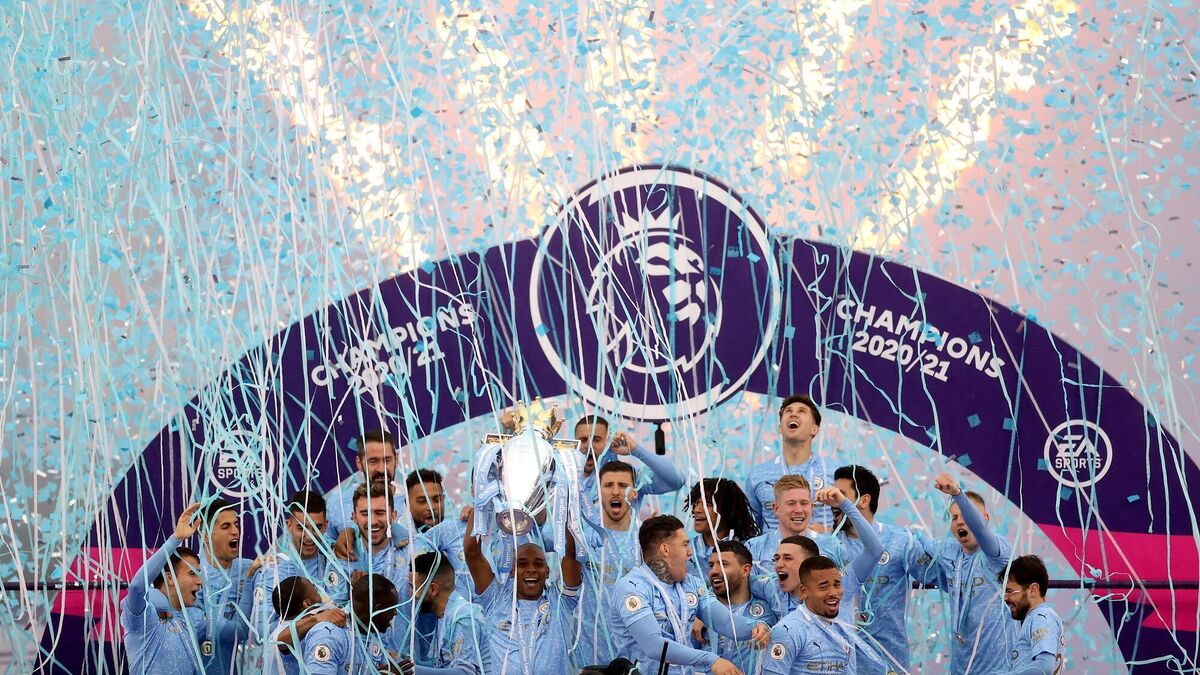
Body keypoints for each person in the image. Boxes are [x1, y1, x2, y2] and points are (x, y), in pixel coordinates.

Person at [609, 515, 771, 675]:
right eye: (685, 544)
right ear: (665, 549)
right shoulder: (632, 587)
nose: (690, 552)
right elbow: (654, 646)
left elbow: (726, 622)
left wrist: (756, 627)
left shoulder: (691, 583)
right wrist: (711, 659)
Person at [814, 465, 938, 673]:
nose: (834, 502)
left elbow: (936, 576)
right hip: (843, 663)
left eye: (840, 495)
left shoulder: (900, 541)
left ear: (864, 501)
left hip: (891, 662)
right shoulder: (828, 546)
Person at [464, 502, 583, 673]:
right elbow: (472, 553)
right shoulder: (495, 600)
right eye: (522, 564)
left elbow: (572, 552)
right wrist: (482, 499)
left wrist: (567, 497)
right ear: (512, 571)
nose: (531, 569)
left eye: (538, 564)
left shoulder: (560, 603)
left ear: (547, 571)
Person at [920, 473, 1018, 673]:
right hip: (961, 667)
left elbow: (980, 530)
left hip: (998, 668)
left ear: (985, 519)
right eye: (954, 517)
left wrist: (957, 494)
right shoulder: (949, 552)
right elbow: (918, 542)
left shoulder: (997, 552)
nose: (959, 522)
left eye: (965, 515)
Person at [752, 487, 883, 623]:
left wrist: (845, 504)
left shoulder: (841, 587)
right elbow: (741, 582)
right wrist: (760, 625)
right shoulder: (773, 588)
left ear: (808, 564)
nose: (778, 564)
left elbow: (875, 550)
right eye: (776, 559)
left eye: (788, 558)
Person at [324, 480, 417, 656]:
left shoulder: (412, 551)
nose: (373, 521)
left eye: (380, 513)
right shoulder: (343, 557)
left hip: (405, 659)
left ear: (393, 515)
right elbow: (333, 615)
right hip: (361, 661)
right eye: (365, 513)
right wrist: (360, 592)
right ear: (354, 517)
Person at [121, 503, 209, 674]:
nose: (200, 581)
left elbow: (232, 630)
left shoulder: (193, 618)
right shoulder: (146, 618)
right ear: (170, 578)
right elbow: (137, 588)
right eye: (192, 574)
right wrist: (175, 539)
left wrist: (249, 579)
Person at [762, 556, 885, 675]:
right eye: (823, 587)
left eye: (837, 585)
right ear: (804, 591)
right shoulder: (788, 631)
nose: (833, 593)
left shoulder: (841, 630)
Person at [575, 461, 644, 667]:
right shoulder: (582, 533)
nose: (615, 491)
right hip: (588, 654)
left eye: (623, 486)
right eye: (608, 485)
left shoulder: (646, 537)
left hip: (634, 657)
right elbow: (544, 534)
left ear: (634, 492)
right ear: (598, 491)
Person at [746, 394, 834, 531]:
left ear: (814, 429)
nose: (793, 414)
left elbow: (850, 528)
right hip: (775, 545)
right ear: (779, 428)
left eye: (801, 411)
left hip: (820, 545)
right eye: (788, 411)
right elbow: (752, 527)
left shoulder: (834, 472)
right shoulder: (757, 475)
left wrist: (826, 532)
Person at [196, 498, 265, 674]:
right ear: (205, 534)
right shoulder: (190, 573)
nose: (235, 531)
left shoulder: (251, 568)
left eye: (236, 524)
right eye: (226, 527)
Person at [251, 490, 331, 639]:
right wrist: (313, 619)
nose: (310, 537)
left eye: (317, 528)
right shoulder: (273, 571)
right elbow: (261, 632)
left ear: (326, 526)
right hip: (290, 654)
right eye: (302, 528)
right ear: (289, 525)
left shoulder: (334, 561)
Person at [300, 574, 409, 674]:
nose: (395, 613)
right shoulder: (329, 635)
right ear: (377, 609)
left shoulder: (370, 633)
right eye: (392, 608)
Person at [700, 540, 777, 675]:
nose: (714, 571)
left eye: (723, 564)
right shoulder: (700, 612)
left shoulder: (767, 612)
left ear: (745, 570)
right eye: (711, 565)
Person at [410, 551, 492, 673]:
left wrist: (410, 671)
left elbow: (464, 673)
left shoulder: (464, 618)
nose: (410, 595)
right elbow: (441, 666)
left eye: (414, 588)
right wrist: (402, 662)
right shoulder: (444, 615)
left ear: (433, 589)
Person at [574, 415, 684, 507]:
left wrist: (636, 450)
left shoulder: (629, 476)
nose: (589, 445)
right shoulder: (568, 481)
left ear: (609, 443)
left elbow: (677, 480)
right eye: (583, 440)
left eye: (596, 439)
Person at [325, 430, 408, 540]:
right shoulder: (337, 504)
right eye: (373, 461)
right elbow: (323, 545)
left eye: (387, 460)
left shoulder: (410, 501)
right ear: (359, 463)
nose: (381, 469)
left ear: (396, 459)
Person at [262, 577, 347, 675]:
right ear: (308, 603)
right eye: (315, 590)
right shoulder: (282, 631)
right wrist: (317, 618)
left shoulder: (280, 624)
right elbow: (281, 641)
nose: (319, 592)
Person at [999, 555, 1064, 674]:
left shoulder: (1041, 617)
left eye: (1009, 591)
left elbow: (1044, 667)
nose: (1005, 598)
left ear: (1033, 590)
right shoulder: (1035, 617)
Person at [684, 478, 760, 578]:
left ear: (727, 510)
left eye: (707, 504)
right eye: (696, 503)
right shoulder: (685, 550)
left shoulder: (751, 550)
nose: (697, 509)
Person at [744, 475, 813, 570]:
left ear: (811, 507)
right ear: (776, 508)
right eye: (791, 503)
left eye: (804, 503)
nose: (798, 510)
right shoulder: (754, 548)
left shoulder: (829, 545)